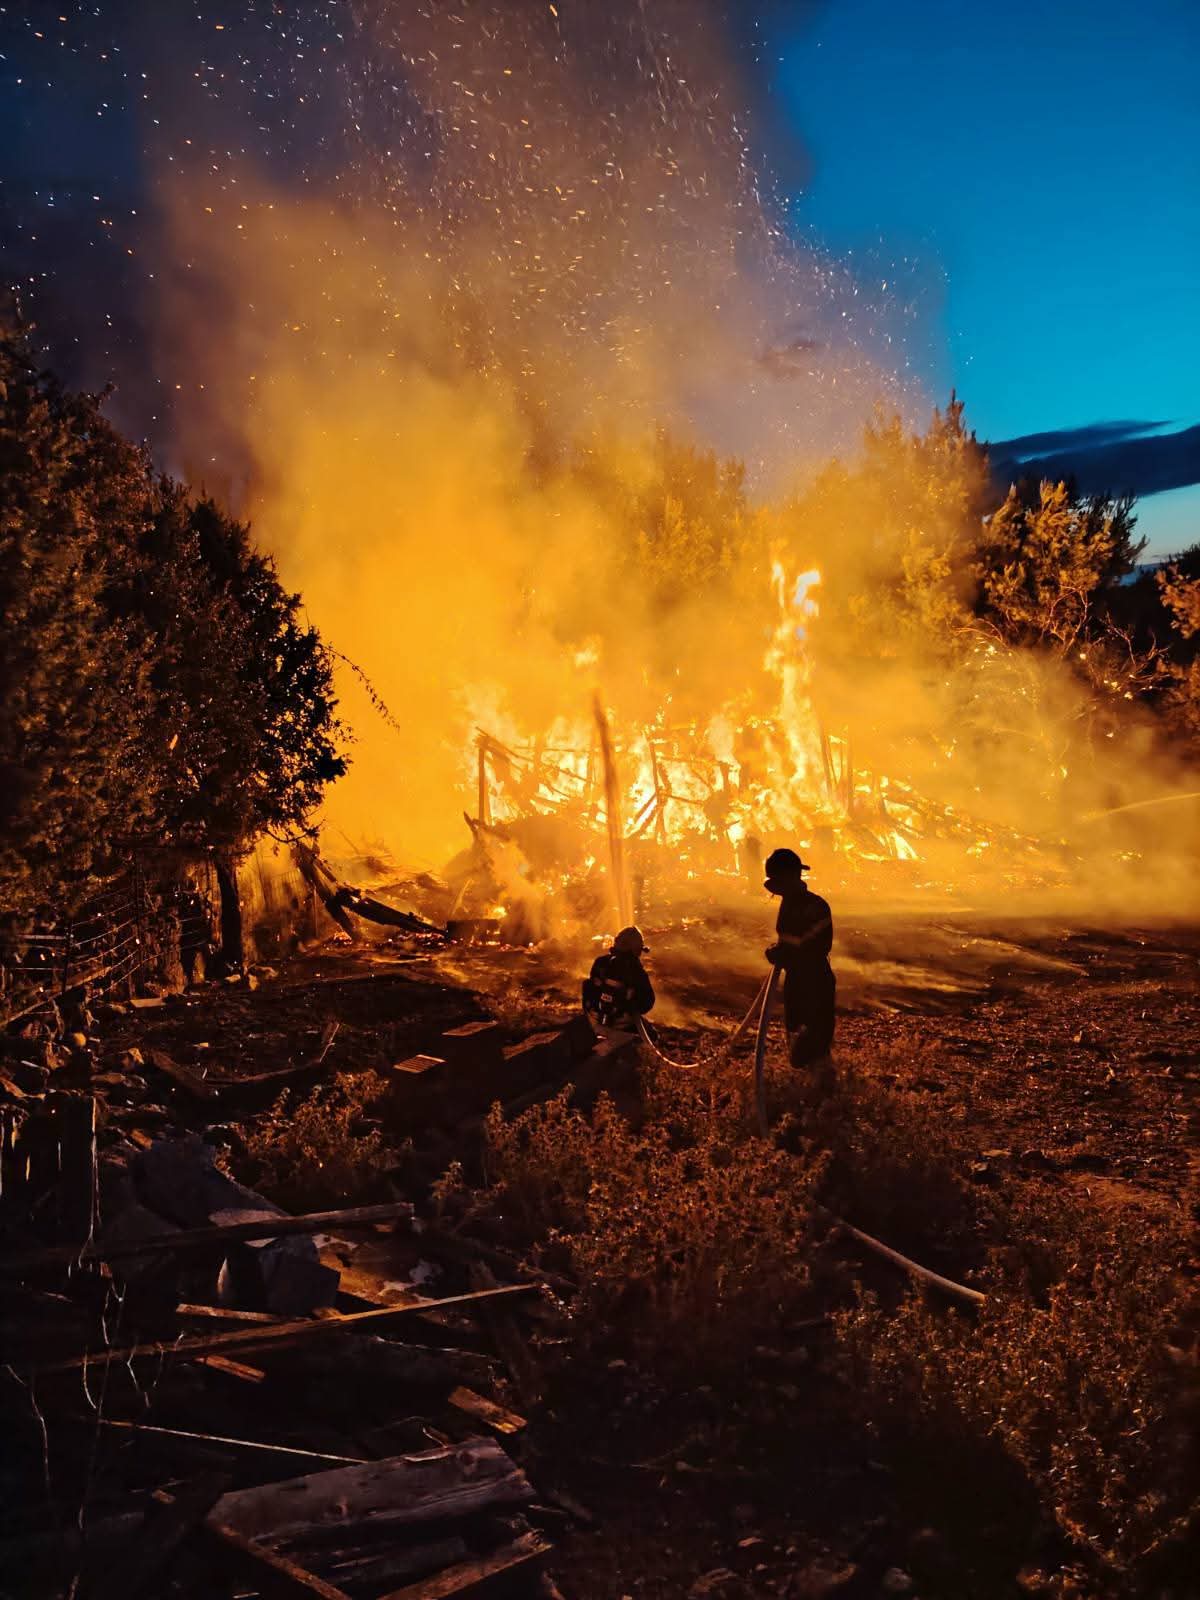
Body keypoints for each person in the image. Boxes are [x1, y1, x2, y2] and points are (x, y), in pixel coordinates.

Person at [763, 847, 836, 1083]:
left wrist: (782, 954)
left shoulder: (815, 905)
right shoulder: (790, 902)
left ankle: (827, 1100)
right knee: (796, 1041)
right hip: (796, 981)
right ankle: (808, 1095)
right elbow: (790, 941)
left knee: (813, 1046)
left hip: (815, 983)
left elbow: (812, 946)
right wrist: (779, 951)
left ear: (791, 876)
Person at [582, 925, 655, 1031]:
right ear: (637, 949)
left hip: (594, 1021)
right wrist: (630, 1011)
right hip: (623, 1026)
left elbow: (591, 988)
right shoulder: (637, 972)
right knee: (653, 1034)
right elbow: (648, 1002)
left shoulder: (601, 962)